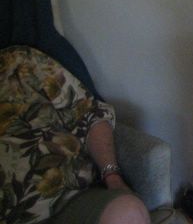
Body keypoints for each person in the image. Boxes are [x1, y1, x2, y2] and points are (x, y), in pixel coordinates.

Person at [1, 45, 150, 224]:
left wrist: (112, 176)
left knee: (128, 213)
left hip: (71, 198)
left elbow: (88, 114)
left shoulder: (20, 62)